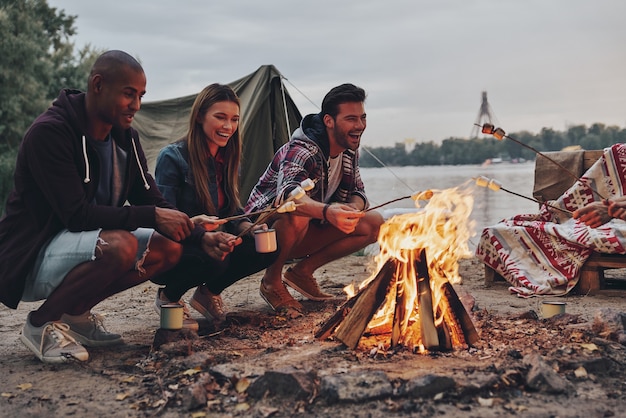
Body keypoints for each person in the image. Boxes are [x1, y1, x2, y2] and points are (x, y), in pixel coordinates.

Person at [0, 50, 211, 363]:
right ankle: (40, 324)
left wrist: (198, 234)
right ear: (98, 85)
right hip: (32, 256)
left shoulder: (125, 136)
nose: (136, 106)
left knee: (168, 247)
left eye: (140, 95)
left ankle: (76, 314)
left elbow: (148, 197)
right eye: (128, 94)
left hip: (79, 249)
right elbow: (77, 214)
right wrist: (152, 216)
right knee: (120, 246)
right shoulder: (50, 133)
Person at [245, 83, 384, 315]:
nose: (359, 126)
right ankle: (271, 282)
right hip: (261, 237)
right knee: (297, 213)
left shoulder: (349, 150)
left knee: (374, 222)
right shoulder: (301, 150)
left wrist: (352, 208)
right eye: (351, 119)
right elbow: (288, 197)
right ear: (329, 121)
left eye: (362, 117)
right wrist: (329, 212)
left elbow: (359, 192)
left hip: (305, 232)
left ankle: (302, 273)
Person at [151, 84, 278, 328]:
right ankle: (169, 297)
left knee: (267, 247)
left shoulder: (228, 158)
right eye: (220, 117)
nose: (228, 126)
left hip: (211, 241)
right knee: (217, 257)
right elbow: (165, 220)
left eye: (234, 119)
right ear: (199, 116)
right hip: (178, 247)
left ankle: (207, 294)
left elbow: (232, 209)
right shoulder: (173, 157)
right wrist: (199, 229)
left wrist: (249, 227)